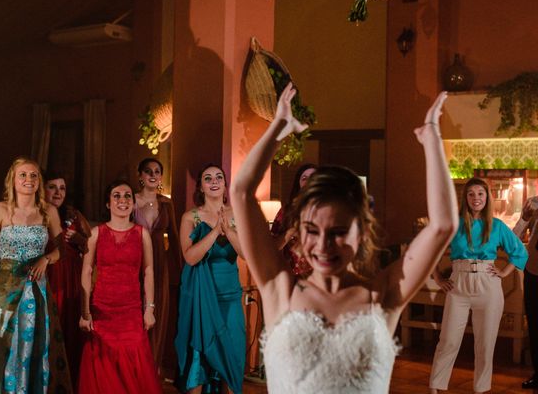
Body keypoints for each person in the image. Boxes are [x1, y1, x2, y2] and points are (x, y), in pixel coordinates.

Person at [230, 84, 459, 394]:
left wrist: (432, 138)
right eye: (312, 231)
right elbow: (241, 192)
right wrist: (278, 128)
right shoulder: (279, 289)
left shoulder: (382, 295)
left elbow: (443, 225)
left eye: (338, 233)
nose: (323, 245)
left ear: (362, 232)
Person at [0, 157, 72, 393]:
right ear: (12, 180)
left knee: (32, 344)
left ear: (39, 181)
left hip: (36, 292)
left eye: (34, 175)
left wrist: (46, 258)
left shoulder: (49, 211)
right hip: (3, 289)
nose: (28, 180)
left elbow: (62, 248)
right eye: (22, 175)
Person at [428, 178, 528, 393]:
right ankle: (435, 386)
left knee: (485, 344)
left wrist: (503, 272)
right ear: (465, 198)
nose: (476, 198)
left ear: (487, 197)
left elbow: (520, 252)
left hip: (488, 285)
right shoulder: (453, 225)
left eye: (480, 194)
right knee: (448, 340)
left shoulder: (497, 226)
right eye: (471, 194)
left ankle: (481, 389)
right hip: (458, 284)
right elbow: (429, 251)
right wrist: (437, 277)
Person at [78, 180, 161, 393]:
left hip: (131, 311)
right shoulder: (96, 233)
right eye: (116, 196)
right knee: (103, 367)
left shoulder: (142, 234)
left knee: (134, 366)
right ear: (108, 203)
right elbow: (86, 272)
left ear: (133, 204)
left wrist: (149, 308)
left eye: (127, 196)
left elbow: (149, 271)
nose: (122, 200)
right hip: (102, 310)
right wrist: (85, 311)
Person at [174, 164, 245, 394]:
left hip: (230, 299)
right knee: (200, 363)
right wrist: (214, 232)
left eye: (218, 177)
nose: (214, 181)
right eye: (208, 178)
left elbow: (245, 254)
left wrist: (229, 230)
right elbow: (190, 257)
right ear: (201, 187)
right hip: (202, 299)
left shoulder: (238, 214)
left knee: (230, 361)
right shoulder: (190, 217)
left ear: (225, 185)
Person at [133, 157, 182, 376]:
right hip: (134, 262)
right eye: (148, 171)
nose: (153, 175)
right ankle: (133, 368)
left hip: (160, 264)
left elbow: (173, 237)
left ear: (161, 177)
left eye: (157, 171)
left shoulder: (166, 203)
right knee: (135, 314)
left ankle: (150, 371)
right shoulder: (130, 200)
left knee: (157, 316)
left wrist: (180, 271)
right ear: (140, 176)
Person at [44, 172, 91, 391]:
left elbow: (92, 246)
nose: (58, 192)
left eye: (62, 188)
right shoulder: (38, 214)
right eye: (52, 187)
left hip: (72, 276)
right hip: (49, 274)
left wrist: (80, 240)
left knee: (70, 326)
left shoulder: (74, 214)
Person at [270, 163, 317, 277]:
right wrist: (291, 231)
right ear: (299, 185)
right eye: (304, 178)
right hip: (293, 278)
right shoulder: (287, 211)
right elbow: (272, 247)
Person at [513, 196, 538, 389]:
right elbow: (514, 238)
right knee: (535, 325)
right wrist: (523, 218)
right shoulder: (534, 203)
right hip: (534, 273)